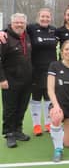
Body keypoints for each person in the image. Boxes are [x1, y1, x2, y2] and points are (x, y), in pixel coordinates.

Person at [0, 13, 32, 148]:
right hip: (10, 81)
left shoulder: (28, 36)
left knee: (22, 106)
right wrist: (2, 79)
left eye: (22, 23)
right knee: (10, 109)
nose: (19, 25)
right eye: (17, 23)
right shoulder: (4, 38)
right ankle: (9, 134)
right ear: (11, 24)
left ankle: (18, 130)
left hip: (26, 80)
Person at [28, 8, 57, 136]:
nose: (45, 19)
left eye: (47, 17)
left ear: (50, 18)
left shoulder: (54, 30)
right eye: (42, 17)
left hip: (50, 70)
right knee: (36, 97)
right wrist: (3, 32)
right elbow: (15, 29)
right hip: (35, 69)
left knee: (48, 96)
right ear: (38, 17)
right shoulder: (31, 28)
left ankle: (47, 123)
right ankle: (36, 125)